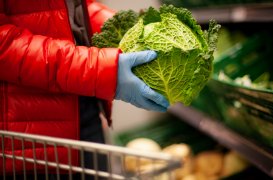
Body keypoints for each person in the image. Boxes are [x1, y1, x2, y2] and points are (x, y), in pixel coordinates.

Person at [0, 0, 169, 177]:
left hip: (84, 106)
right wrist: (98, 69)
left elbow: (71, 6)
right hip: (29, 137)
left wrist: (128, 30)